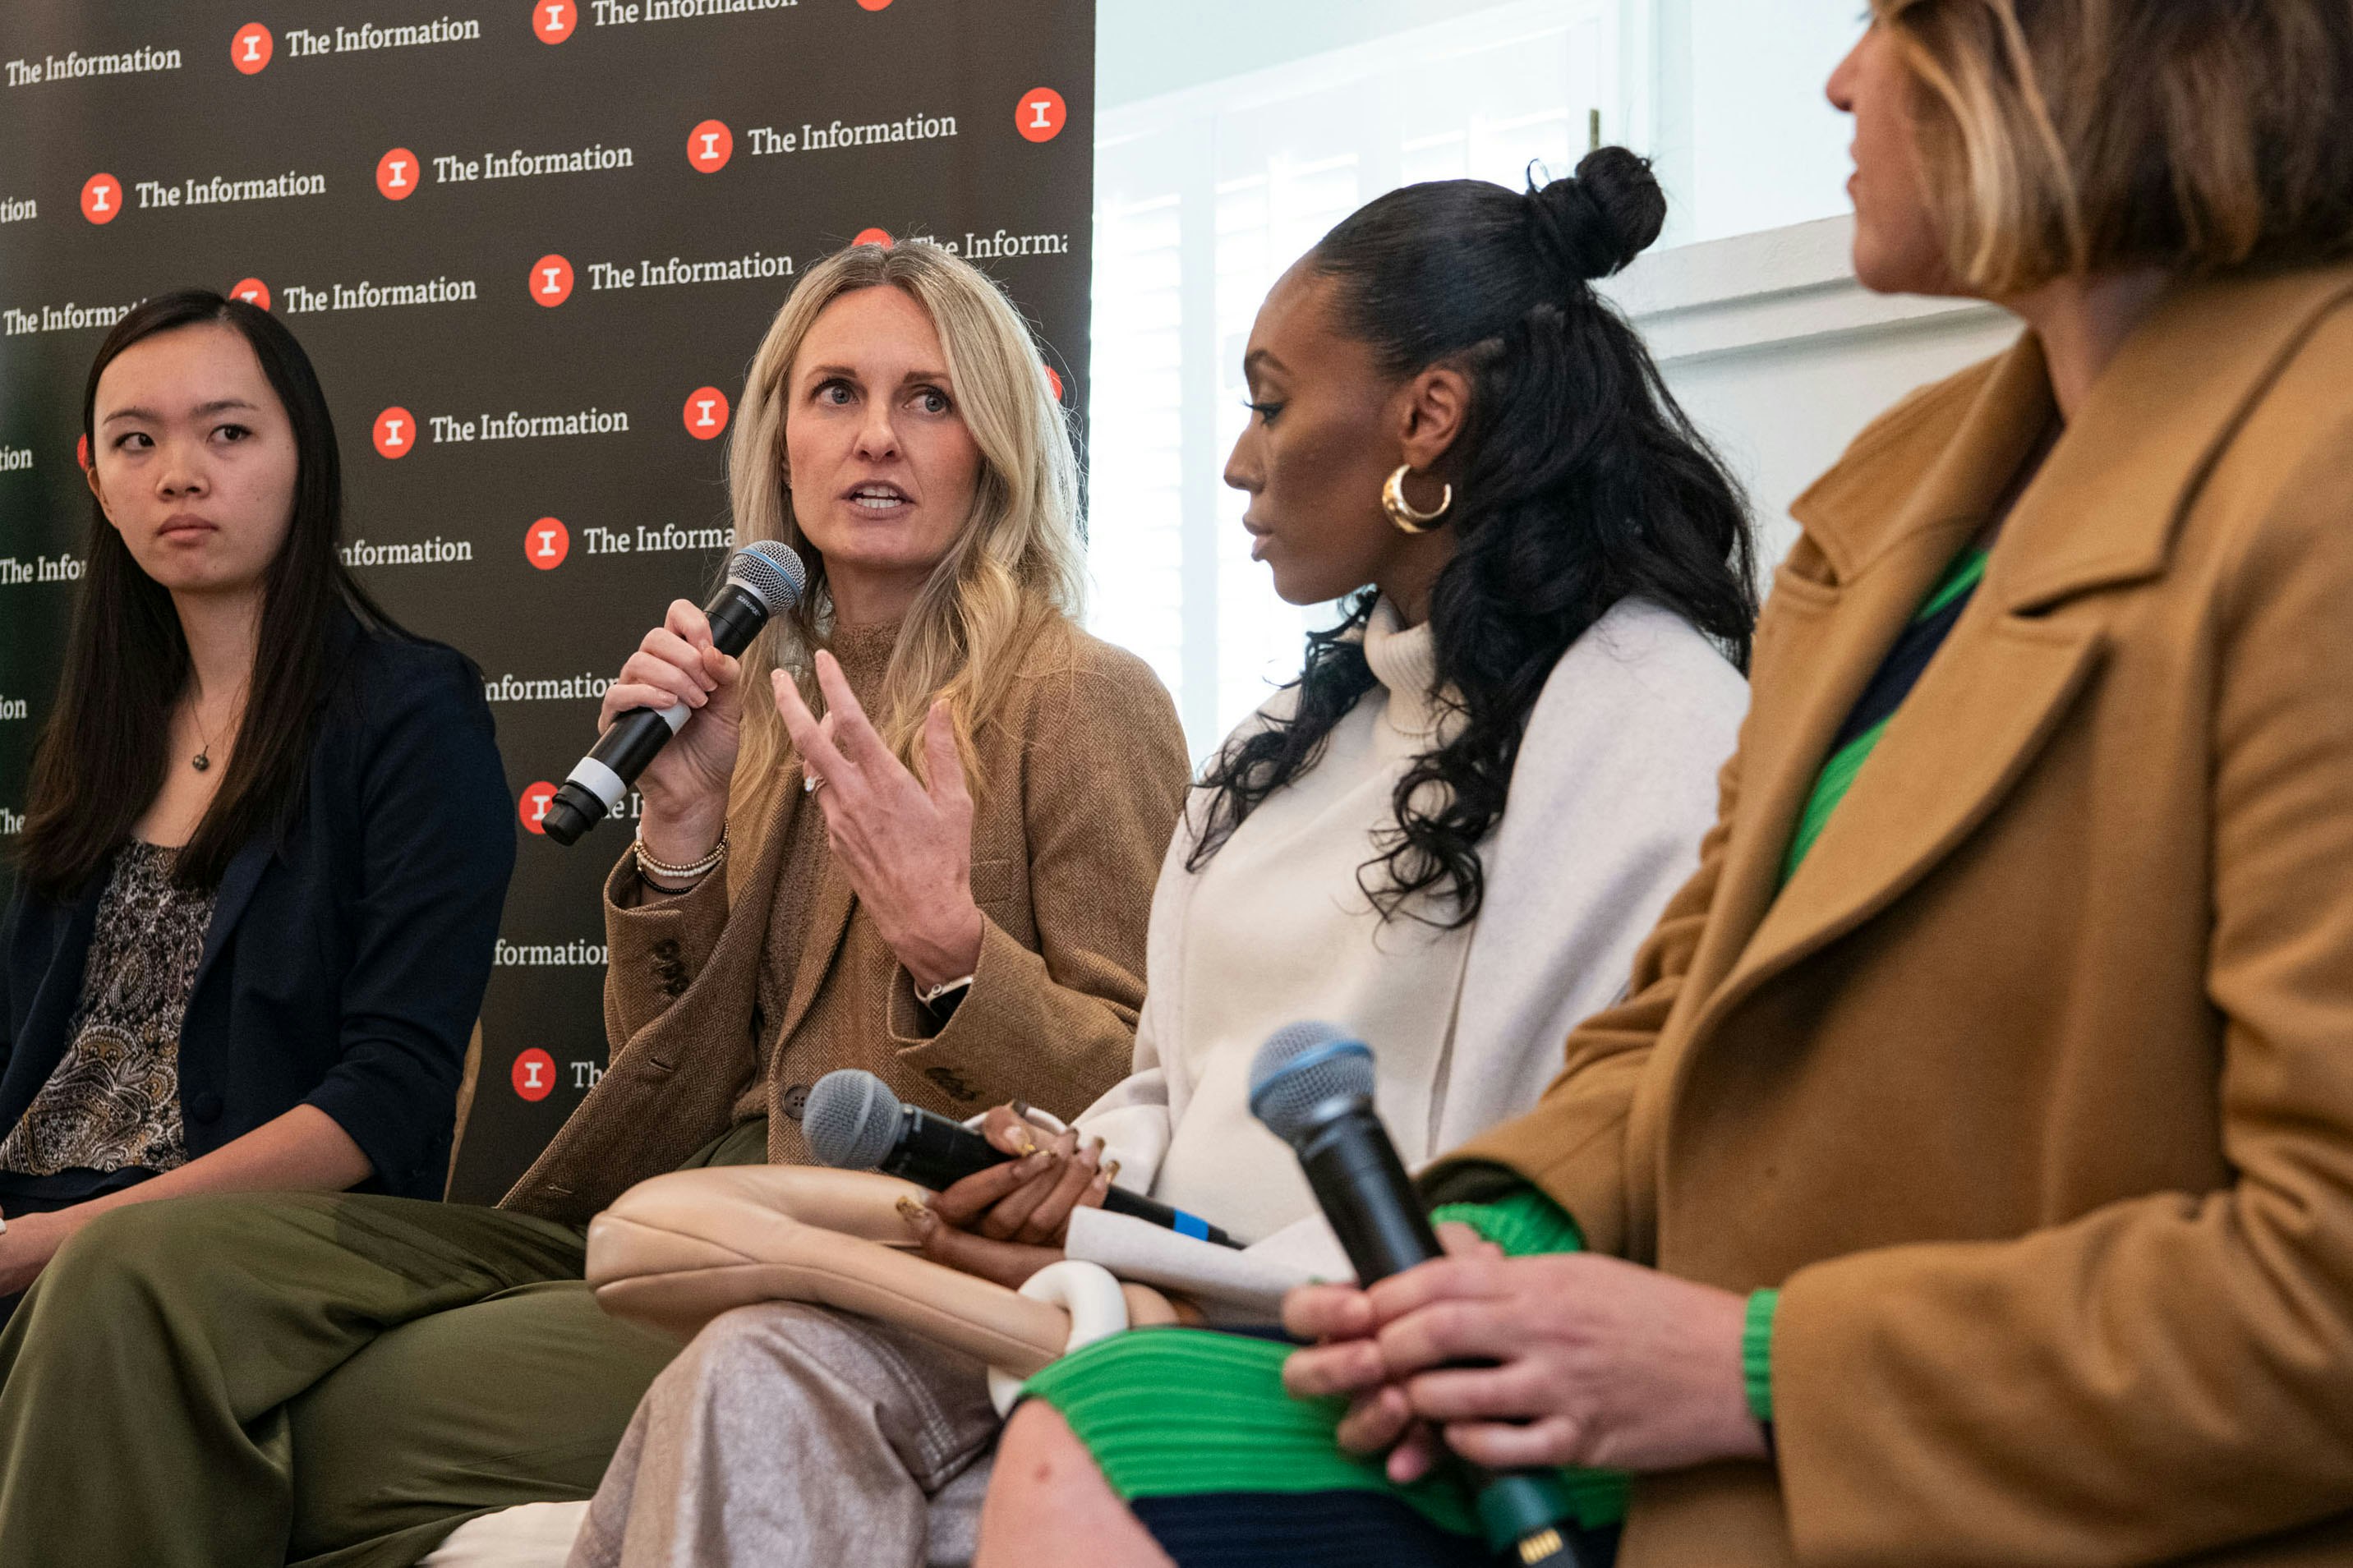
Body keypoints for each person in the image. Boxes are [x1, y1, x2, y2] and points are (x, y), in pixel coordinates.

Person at [978, 2, 2353, 1566]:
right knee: (1091, 1415)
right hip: (1695, 1372)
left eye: (1893, 22)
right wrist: (1483, 1256)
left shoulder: (2312, 485)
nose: (1840, 78)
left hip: (1972, 1445)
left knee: (1100, 1436)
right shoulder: (1902, 491)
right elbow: (1671, 1021)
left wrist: (1745, 1363)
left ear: (2089, 46)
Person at [572, 147, 1756, 1568]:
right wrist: (1081, 1177)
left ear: (1425, 420)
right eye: (835, 396)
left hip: (1332, 1344)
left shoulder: (1637, 713)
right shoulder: (1293, 731)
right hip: (1116, 1284)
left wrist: (954, 953)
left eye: (1268, 404)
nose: (1236, 459)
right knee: (754, 1376)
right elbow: (1156, 1089)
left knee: (775, 1376)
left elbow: (1563, 1170)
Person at [0, 242, 1188, 1568]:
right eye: (834, 394)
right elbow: (671, 1076)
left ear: (998, 440)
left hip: (897, 1254)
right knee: (154, 1308)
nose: (875, 439)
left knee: (323, 1426)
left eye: (928, 400)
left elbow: (1138, 1093)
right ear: (777, 441)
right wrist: (679, 835)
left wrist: (948, 949)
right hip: (690, 1211)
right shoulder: (765, 698)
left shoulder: (1078, 694)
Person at [0, 289, 511, 1326]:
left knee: (101, 1292)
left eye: (227, 432)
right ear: (96, 483)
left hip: (225, 1257)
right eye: (135, 442)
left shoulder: (409, 713)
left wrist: (57, 1245)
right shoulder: (101, 732)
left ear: (303, 457)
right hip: (33, 1229)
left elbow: (393, 1088)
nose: (181, 473)